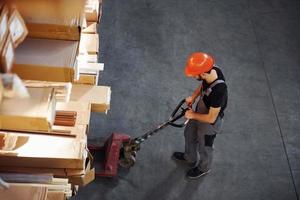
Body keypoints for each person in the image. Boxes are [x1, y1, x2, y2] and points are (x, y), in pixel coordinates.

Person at [172, 52, 228, 179]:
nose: (192, 76)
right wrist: (193, 96)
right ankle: (190, 158)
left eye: (194, 75)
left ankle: (204, 168)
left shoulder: (219, 91)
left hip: (210, 123)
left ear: (203, 73)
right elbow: (203, 85)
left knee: (204, 147)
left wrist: (192, 115)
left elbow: (211, 118)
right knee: (189, 134)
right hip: (199, 112)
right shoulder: (210, 70)